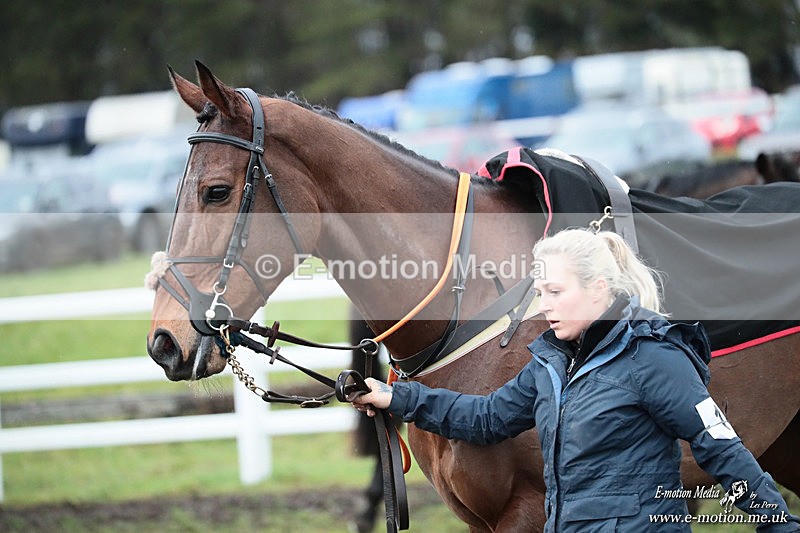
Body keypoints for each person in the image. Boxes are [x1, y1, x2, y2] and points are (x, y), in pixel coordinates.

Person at [350, 228, 800, 532]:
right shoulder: (550, 363)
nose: (544, 306)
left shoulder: (655, 356)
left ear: (599, 288)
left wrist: (778, 523)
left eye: (556, 293)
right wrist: (396, 398)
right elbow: (485, 417)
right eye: (540, 293)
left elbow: (723, 450)